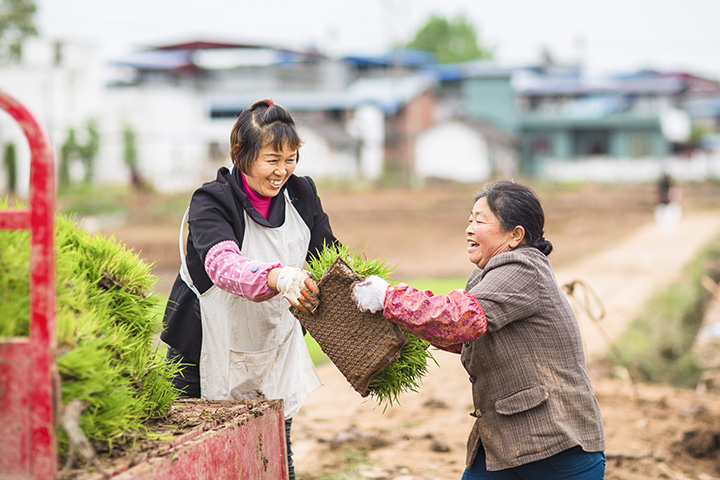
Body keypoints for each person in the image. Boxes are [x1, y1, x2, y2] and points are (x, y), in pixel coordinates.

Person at [352, 180, 605, 479]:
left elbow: (460, 319)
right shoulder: (487, 275)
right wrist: (405, 327)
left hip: (556, 444)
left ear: (515, 235)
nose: (469, 228)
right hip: (504, 442)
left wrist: (390, 298)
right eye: (470, 219)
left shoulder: (524, 269)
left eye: (480, 220)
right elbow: (466, 336)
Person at [161, 99, 338, 479]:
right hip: (203, 352)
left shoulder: (301, 194)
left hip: (273, 352)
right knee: (203, 464)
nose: (282, 171)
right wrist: (279, 277)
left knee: (273, 459)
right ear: (242, 155)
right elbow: (223, 265)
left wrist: (370, 293)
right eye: (272, 159)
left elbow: (330, 259)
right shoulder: (211, 201)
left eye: (291, 159)